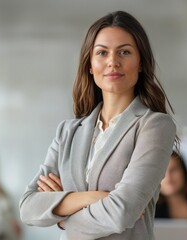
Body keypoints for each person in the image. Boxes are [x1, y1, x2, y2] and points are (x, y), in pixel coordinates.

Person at [19, 10, 178, 239]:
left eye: (124, 52)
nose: (113, 61)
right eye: (102, 53)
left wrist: (62, 217)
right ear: (91, 65)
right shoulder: (68, 132)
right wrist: (96, 197)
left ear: (141, 62)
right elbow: (28, 207)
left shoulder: (154, 126)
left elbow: (121, 212)